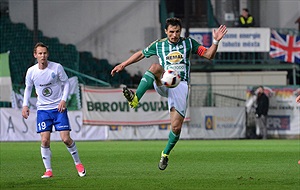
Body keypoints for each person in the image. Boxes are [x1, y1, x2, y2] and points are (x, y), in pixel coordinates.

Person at [111, 18, 227, 170]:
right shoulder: (159, 44)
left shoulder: (189, 43)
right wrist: (123, 64)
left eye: (177, 31)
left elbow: (209, 55)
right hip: (164, 81)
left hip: (181, 86)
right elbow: (141, 54)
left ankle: (165, 154)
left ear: (181, 31)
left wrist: (216, 41)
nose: (174, 35)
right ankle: (135, 99)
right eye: (171, 32)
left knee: (176, 128)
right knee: (154, 67)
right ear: (166, 31)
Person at [22, 42, 86, 178]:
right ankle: (48, 170)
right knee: (45, 140)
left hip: (58, 108)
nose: (42, 56)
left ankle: (78, 163)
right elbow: (28, 88)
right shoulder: (31, 71)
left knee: (66, 139)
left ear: (47, 54)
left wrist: (64, 99)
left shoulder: (56, 67)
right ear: (35, 55)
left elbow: (66, 83)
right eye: (40, 53)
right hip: (43, 110)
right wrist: (25, 105)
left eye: (44, 53)